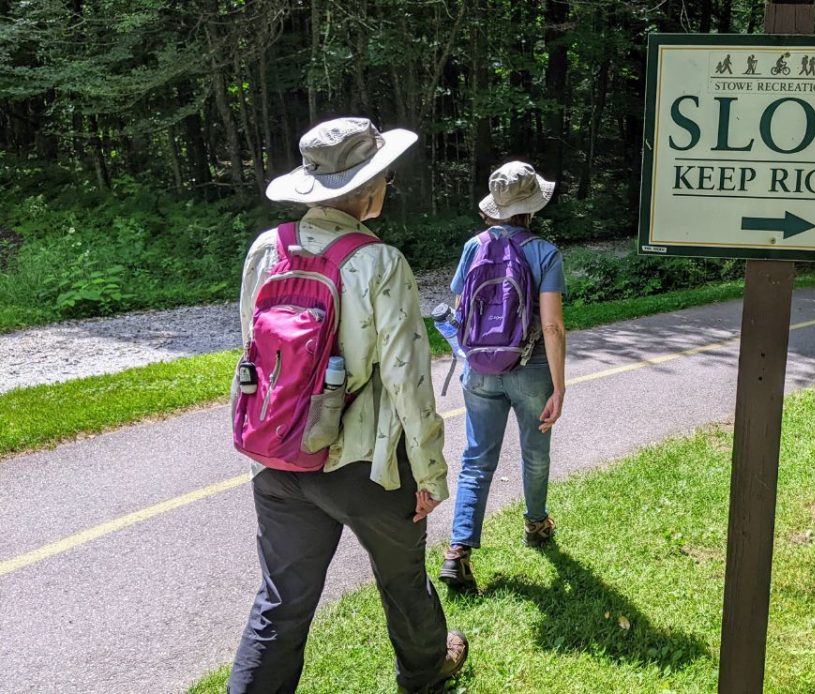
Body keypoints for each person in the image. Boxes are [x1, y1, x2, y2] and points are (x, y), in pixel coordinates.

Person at [229, 117, 467, 693]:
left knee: (281, 600)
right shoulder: (380, 262)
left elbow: (253, 353)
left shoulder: (268, 248)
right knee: (402, 578)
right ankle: (426, 674)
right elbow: (409, 381)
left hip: (279, 457)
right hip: (367, 466)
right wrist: (431, 473)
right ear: (370, 186)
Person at [439, 161, 567, 593]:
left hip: (479, 368)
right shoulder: (544, 252)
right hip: (529, 366)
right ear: (532, 207)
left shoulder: (473, 246)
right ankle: (535, 524)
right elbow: (551, 326)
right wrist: (560, 385)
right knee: (535, 452)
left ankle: (458, 552)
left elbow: (460, 309)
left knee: (476, 459)